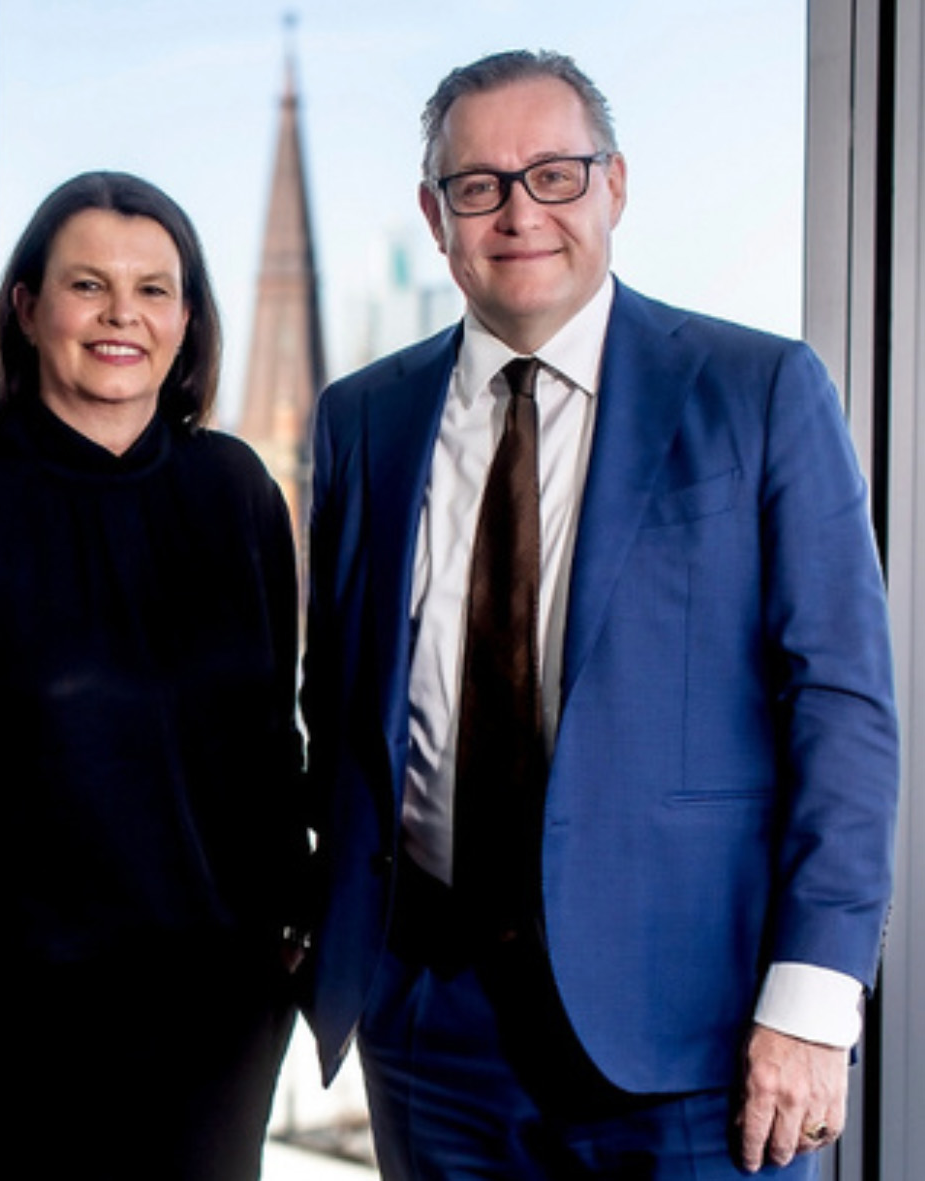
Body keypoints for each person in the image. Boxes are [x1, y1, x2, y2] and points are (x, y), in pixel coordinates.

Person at [301, 49, 900, 1179]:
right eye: (478, 185)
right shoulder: (362, 420)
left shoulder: (758, 389)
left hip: (692, 1037)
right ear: (436, 217)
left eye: (555, 174)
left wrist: (813, 1002)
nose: (518, 211)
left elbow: (842, 709)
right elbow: (334, 701)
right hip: (431, 1028)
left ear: (614, 185)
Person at [0, 170, 310, 1179]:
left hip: (213, 1029)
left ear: (187, 317)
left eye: (152, 288)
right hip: (9, 1033)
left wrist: (292, 940)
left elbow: (272, 742)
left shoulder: (236, 495)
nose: (121, 315)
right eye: (88, 284)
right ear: (27, 307)